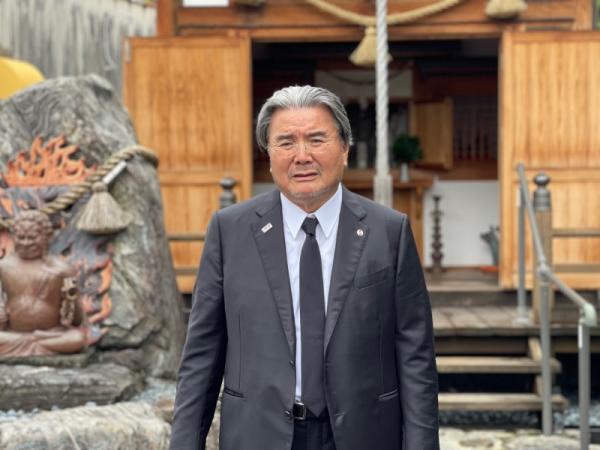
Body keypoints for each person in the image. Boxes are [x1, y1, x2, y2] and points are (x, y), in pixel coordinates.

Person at [170, 85, 439, 450]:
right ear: (268, 154)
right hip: (259, 433)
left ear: (344, 148)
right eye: (286, 142)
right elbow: (202, 354)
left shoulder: (388, 231)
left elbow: (415, 355)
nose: (301, 156)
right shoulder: (230, 231)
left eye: (316, 139)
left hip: (363, 433)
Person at [0, 210, 86, 356]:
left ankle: (31, 345)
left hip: (51, 334)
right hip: (13, 334)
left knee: (77, 339)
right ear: (14, 237)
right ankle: (34, 345)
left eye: (32, 238)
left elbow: (77, 320)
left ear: (46, 237)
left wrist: (71, 302)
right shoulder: (3, 266)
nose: (26, 243)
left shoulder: (62, 269)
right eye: (21, 237)